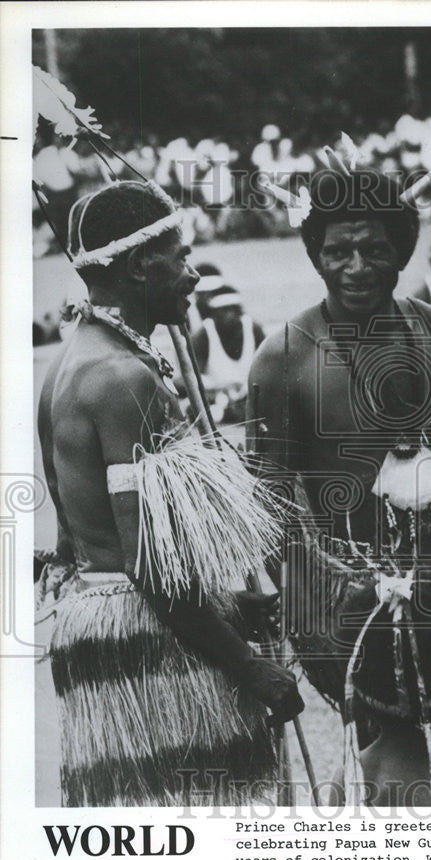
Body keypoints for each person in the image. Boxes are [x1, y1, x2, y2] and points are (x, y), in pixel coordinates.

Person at [248, 166, 431, 806]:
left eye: (374, 250)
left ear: (402, 254)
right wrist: (316, 611)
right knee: (398, 788)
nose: (355, 266)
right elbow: (268, 506)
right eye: (337, 252)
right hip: (361, 605)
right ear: (316, 257)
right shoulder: (284, 356)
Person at [37, 180, 303, 806]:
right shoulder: (123, 379)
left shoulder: (69, 365)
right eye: (180, 257)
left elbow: (77, 542)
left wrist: (230, 598)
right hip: (150, 640)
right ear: (137, 266)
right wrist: (248, 665)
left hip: (102, 623)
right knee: (206, 820)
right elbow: (152, 567)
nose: (193, 275)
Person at [192, 284, 265, 424]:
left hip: (249, 394)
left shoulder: (254, 329)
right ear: (213, 313)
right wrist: (218, 387)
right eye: (224, 311)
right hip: (217, 396)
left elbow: (270, 369)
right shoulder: (203, 335)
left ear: (240, 311)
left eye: (234, 310)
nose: (230, 315)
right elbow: (188, 379)